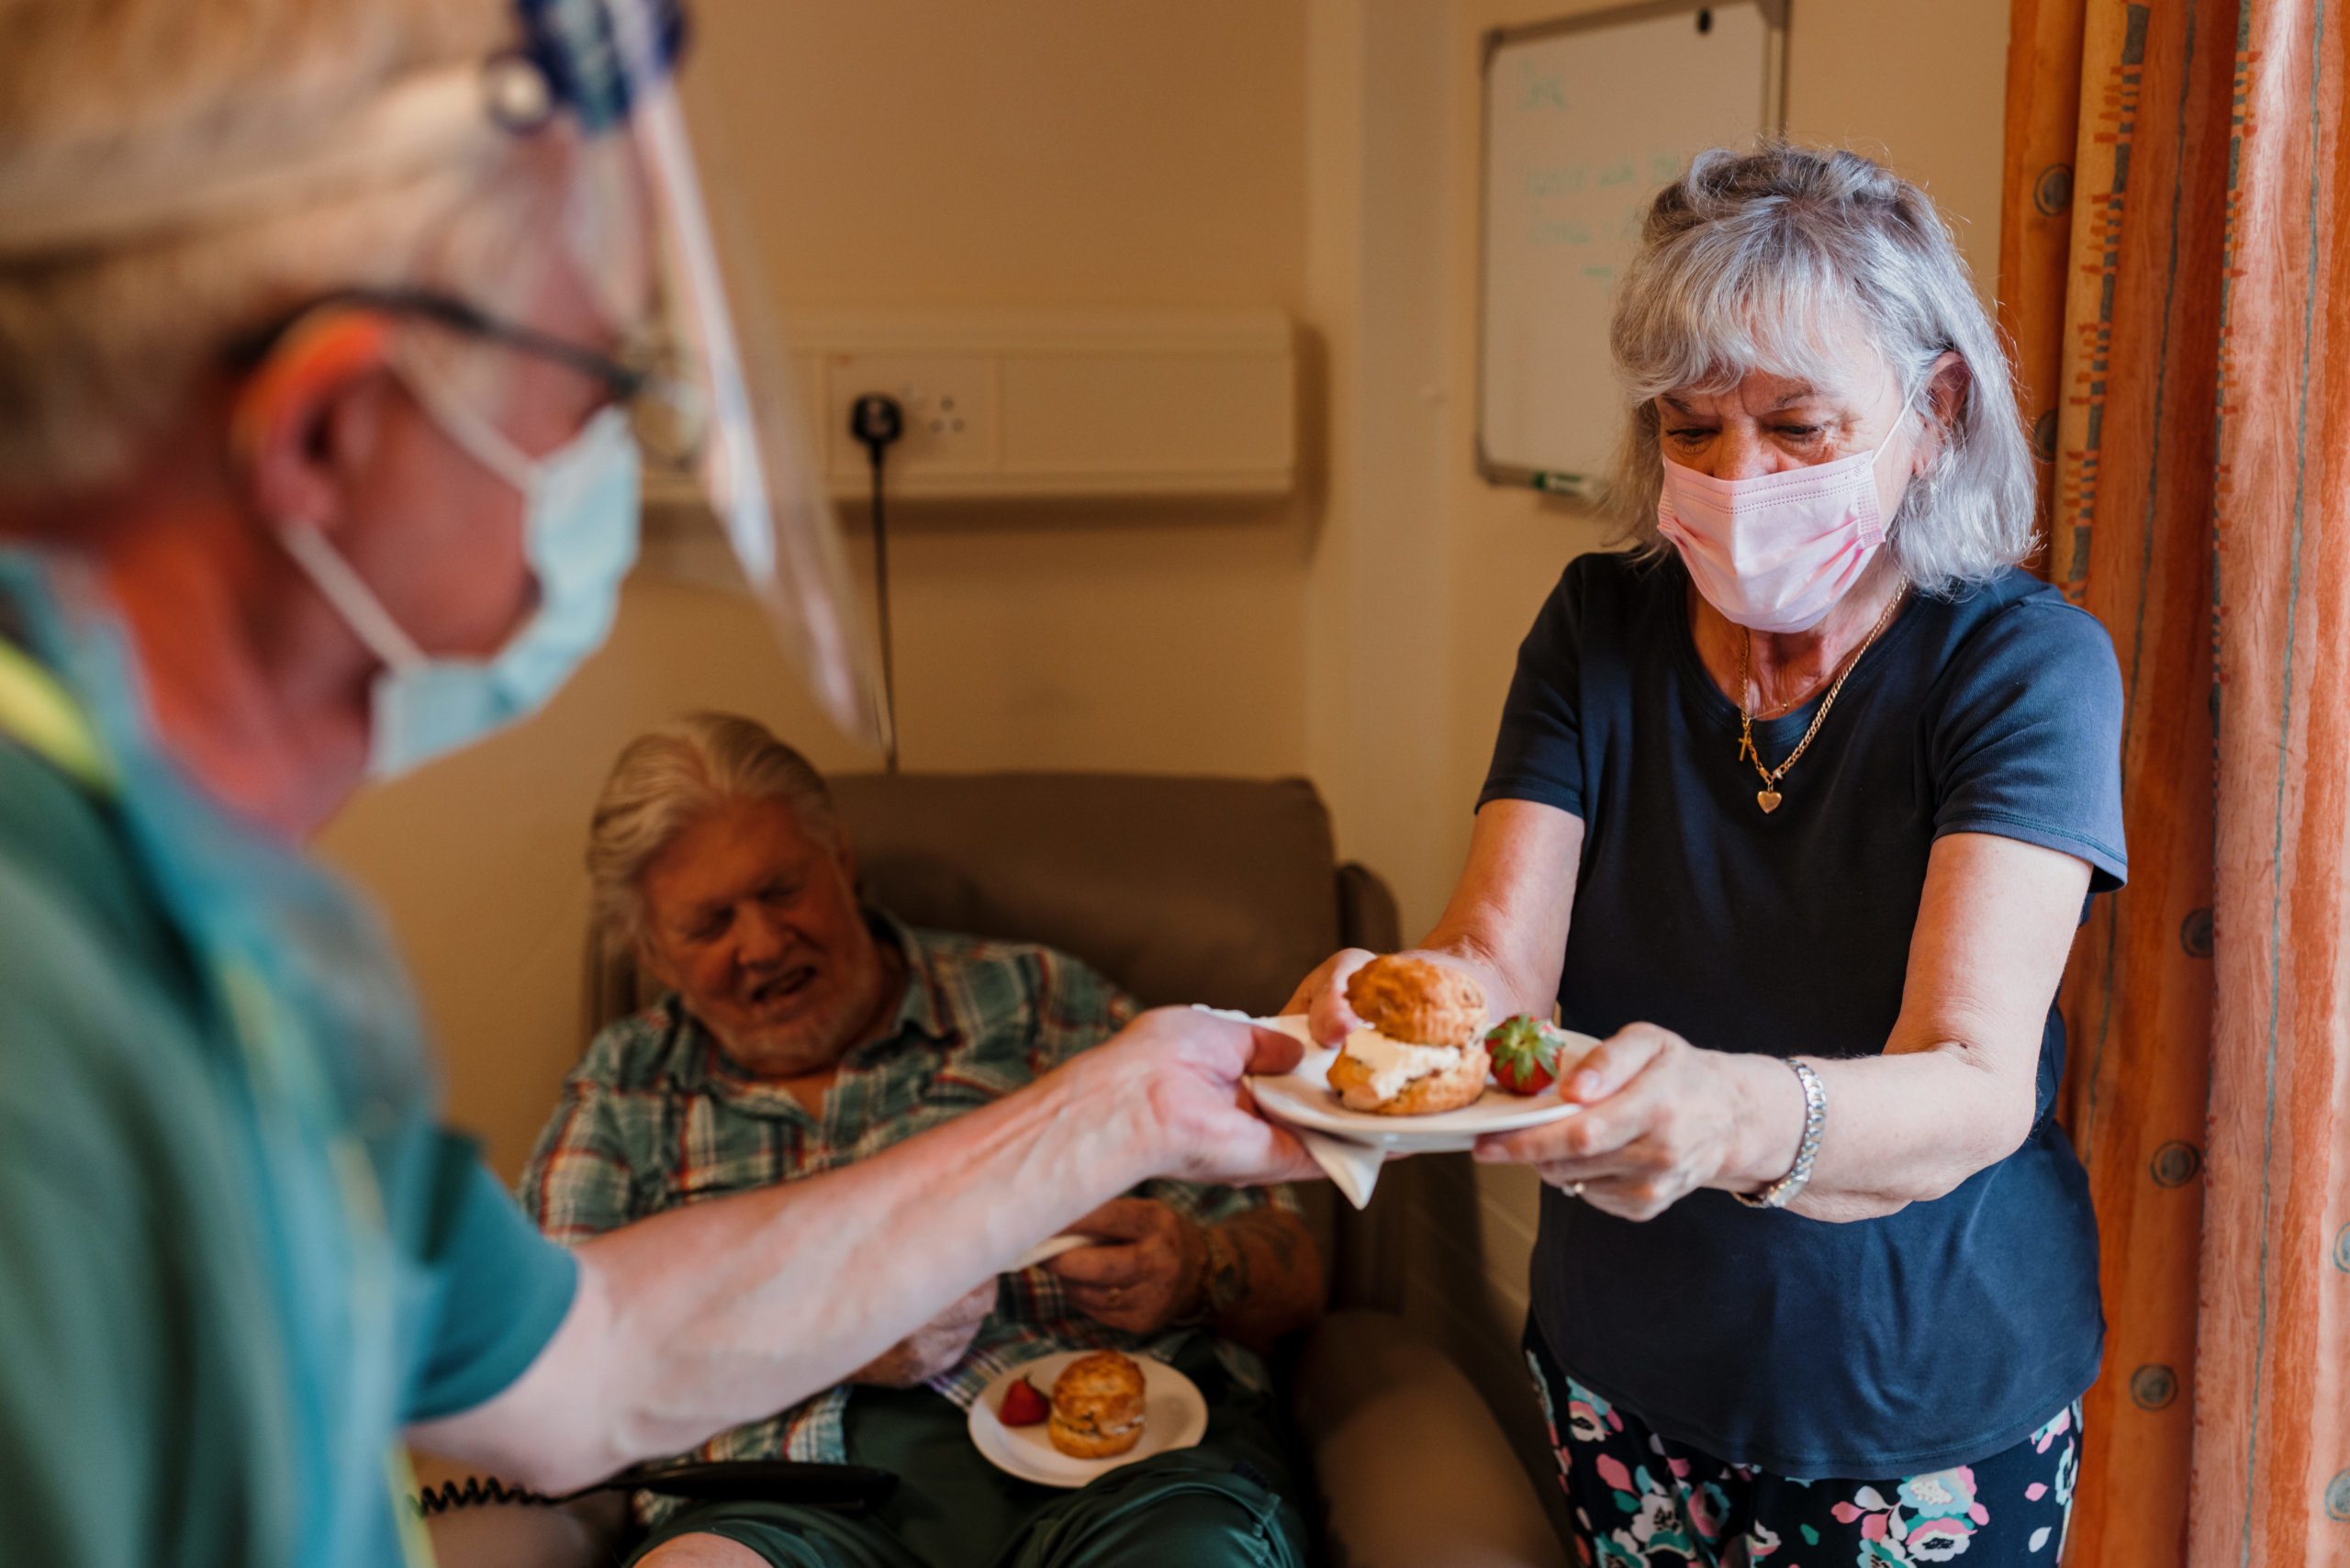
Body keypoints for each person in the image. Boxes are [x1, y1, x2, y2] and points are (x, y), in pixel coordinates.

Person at [0, 4, 1311, 1565]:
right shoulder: (54, 998)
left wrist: (1117, 1105)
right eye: (588, 387)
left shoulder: (242, 938)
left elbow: (585, 1365)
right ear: (331, 431)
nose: (602, 468)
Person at [1289, 144, 2120, 1566]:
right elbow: (1496, 960)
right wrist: (1393, 1016)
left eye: (1801, 427)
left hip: (1916, 1399)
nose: (1741, 479)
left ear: (1933, 412)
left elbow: (1974, 1082)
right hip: (1625, 1360)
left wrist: (1729, 1117)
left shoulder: (2020, 665)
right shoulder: (1598, 627)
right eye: (1691, 427)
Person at [523, 712, 1322, 1567]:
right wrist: (825, 1329)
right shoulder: (623, 1090)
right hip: (776, 1503)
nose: (759, 944)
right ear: (651, 951)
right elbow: (548, 1377)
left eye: (782, 888)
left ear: (842, 856)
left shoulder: (1041, 1000)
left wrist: (1197, 1268)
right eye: (709, 924)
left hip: (1124, 1485)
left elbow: (1294, 1265)